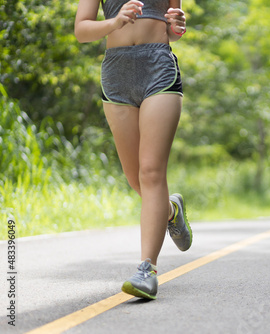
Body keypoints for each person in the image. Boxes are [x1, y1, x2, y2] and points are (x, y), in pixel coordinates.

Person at [74, 0, 192, 300]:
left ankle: (147, 270)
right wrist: (114, 22)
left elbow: (172, 28)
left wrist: (177, 26)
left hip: (158, 68)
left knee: (151, 171)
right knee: (134, 178)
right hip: (117, 74)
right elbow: (82, 30)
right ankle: (170, 210)